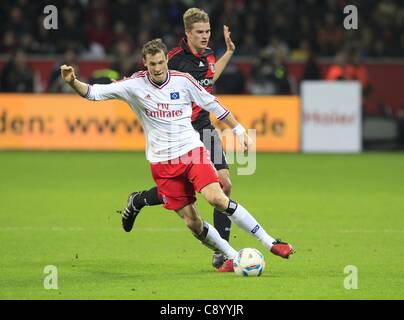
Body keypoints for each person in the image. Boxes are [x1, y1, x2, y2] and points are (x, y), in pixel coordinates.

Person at [60, 39, 294, 271]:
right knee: (193, 223)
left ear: (166, 61)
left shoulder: (183, 81)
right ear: (145, 64)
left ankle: (271, 242)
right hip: (162, 162)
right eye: (152, 64)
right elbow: (92, 92)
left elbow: (213, 104)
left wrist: (239, 130)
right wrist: (73, 82)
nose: (158, 68)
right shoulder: (134, 85)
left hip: (191, 151)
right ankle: (234, 257)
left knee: (217, 197)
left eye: (161, 62)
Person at [121, 8, 238, 271]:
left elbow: (209, 79)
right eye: (200, 32)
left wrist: (229, 53)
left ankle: (223, 252)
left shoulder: (208, 55)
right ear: (187, 34)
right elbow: (149, 81)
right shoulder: (172, 59)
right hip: (179, 132)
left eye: (208, 31)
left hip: (205, 127)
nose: (206, 36)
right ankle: (138, 200)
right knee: (180, 193)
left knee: (224, 184)